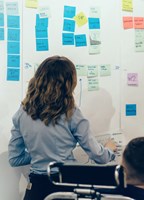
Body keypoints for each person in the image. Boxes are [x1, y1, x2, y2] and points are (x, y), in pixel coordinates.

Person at [8, 56, 117, 200]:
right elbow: (99, 157)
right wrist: (109, 150)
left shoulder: (22, 113)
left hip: (35, 189)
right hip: (64, 187)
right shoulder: (72, 113)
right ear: (69, 84)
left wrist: (38, 153)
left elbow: (15, 158)